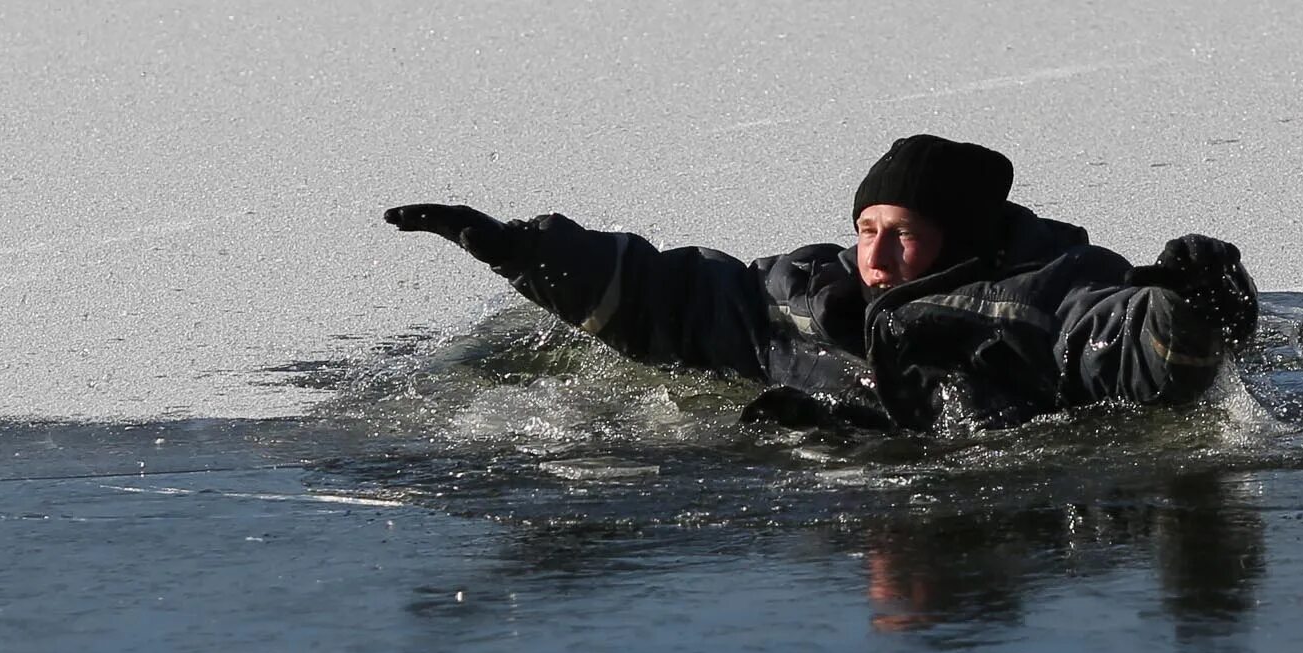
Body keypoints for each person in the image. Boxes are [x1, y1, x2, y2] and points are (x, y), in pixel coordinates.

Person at [383, 134, 1258, 432]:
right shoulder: (806, 294)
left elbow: (1104, 335)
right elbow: (673, 300)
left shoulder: (1042, 287)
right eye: (867, 229)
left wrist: (1179, 317)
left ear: (955, 241)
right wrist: (521, 252)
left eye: (905, 235)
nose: (876, 256)